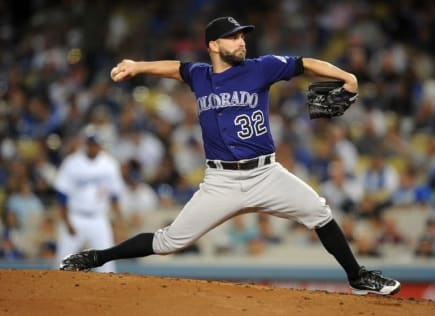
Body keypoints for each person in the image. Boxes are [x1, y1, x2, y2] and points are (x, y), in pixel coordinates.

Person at [60, 16, 401, 295]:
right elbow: (174, 67)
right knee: (167, 242)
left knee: (320, 212)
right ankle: (95, 256)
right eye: (233, 37)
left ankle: (357, 277)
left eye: (242, 36)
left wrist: (347, 77)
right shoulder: (200, 75)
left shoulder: (261, 68)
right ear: (213, 45)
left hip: (267, 175)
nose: (241, 42)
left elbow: (305, 64)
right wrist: (137, 66)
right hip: (220, 181)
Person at [55, 125, 125, 272]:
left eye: (96, 144)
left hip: (99, 219)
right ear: (86, 144)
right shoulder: (72, 162)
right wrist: (67, 222)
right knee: (64, 263)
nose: (94, 147)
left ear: (101, 145)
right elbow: (62, 196)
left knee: (107, 266)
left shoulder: (109, 164)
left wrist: (119, 222)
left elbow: (115, 196)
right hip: (75, 217)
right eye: (91, 144)